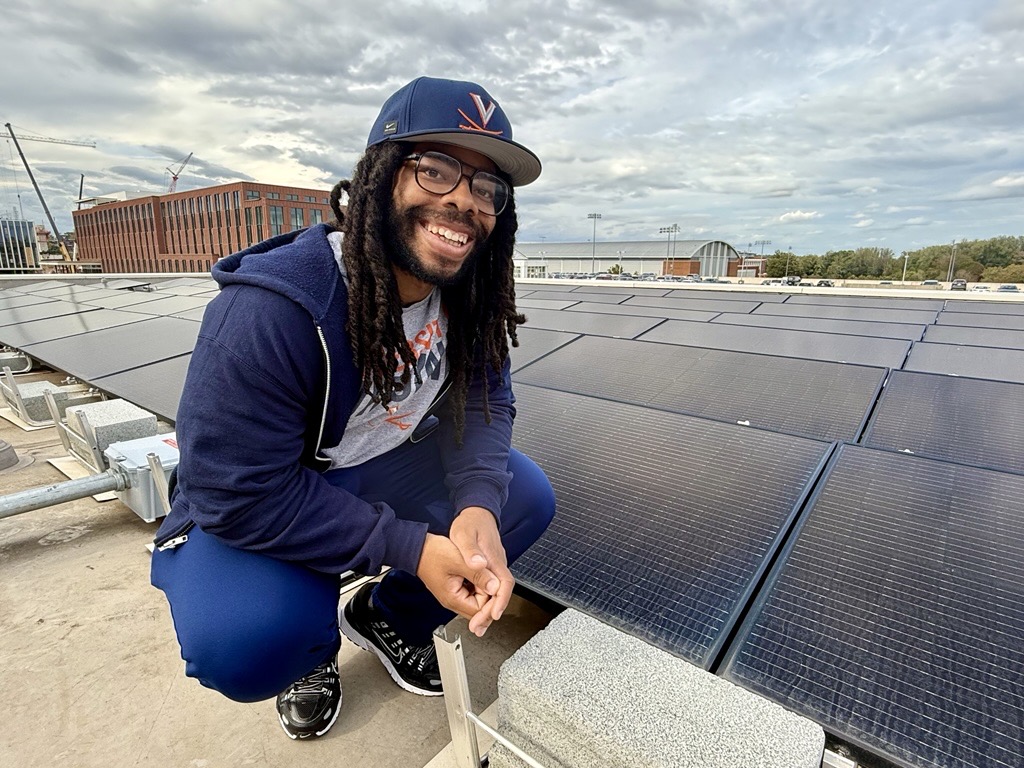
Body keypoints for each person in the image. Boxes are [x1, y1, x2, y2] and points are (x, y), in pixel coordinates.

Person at [150, 76, 556, 740]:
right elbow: (237, 490)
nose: (462, 200)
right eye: (436, 169)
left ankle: (388, 616)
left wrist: (478, 502)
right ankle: (309, 657)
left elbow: (486, 398)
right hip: (267, 489)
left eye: (487, 188)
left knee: (522, 497)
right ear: (381, 176)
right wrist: (406, 545)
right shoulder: (274, 308)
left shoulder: (469, 292)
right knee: (248, 643)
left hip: (378, 464)